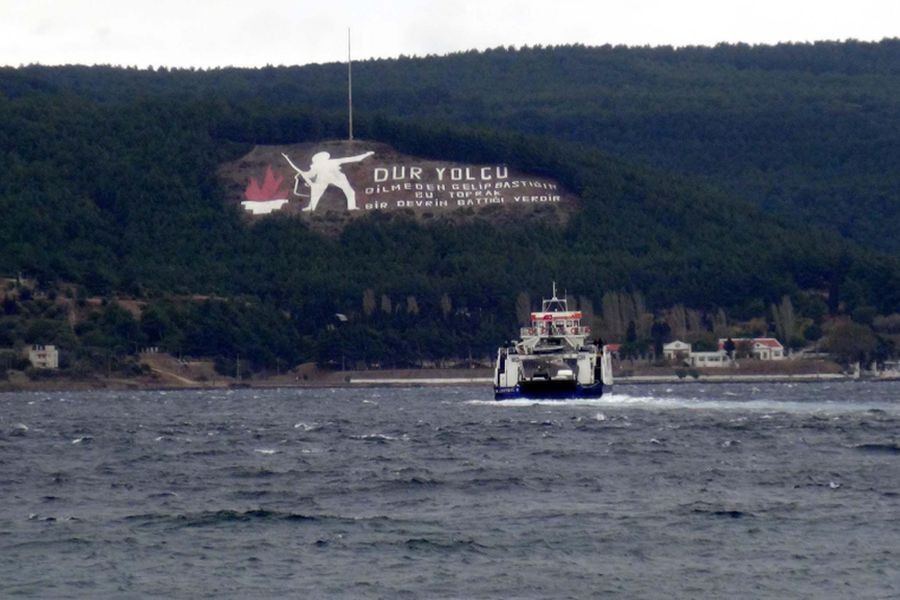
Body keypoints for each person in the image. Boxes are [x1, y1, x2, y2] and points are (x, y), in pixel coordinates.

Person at [282, 150, 374, 211]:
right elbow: (309, 174)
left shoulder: (322, 164)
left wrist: (366, 155)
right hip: (325, 179)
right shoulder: (318, 165)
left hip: (335, 178)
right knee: (316, 194)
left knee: (349, 192)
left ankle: (351, 207)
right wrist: (303, 174)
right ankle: (311, 208)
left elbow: (353, 159)